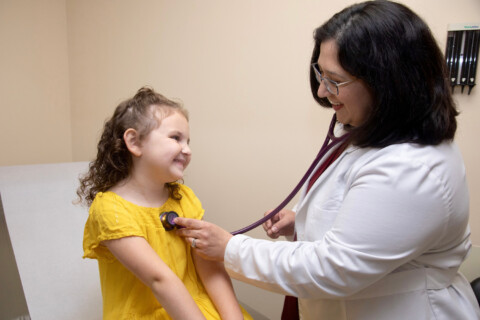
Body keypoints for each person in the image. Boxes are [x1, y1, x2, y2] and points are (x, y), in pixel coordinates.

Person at [174, 1, 480, 319]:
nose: (321, 91)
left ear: (387, 81)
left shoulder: (412, 167)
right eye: (321, 73)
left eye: (335, 80)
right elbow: (366, 215)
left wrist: (230, 249)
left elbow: (334, 268)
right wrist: (303, 220)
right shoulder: (368, 131)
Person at [77, 87, 252, 320]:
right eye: (176, 138)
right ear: (134, 142)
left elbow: (209, 267)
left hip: (195, 310)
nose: (187, 150)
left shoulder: (184, 198)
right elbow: (160, 280)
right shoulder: (111, 210)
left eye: (188, 141)